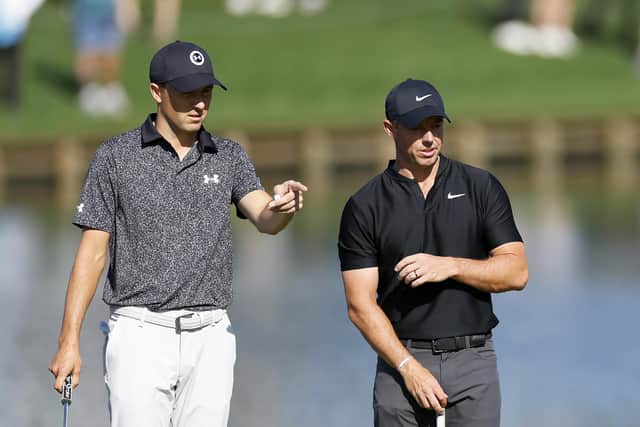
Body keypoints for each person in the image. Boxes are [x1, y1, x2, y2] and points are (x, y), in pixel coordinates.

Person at [49, 40, 308, 427]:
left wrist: (281, 206)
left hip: (211, 335)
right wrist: (69, 341)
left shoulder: (229, 155)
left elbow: (264, 216)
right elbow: (92, 254)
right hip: (139, 333)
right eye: (187, 93)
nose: (200, 103)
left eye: (205, 92)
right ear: (157, 92)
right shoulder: (115, 157)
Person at [338, 78, 528, 427]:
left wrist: (450, 266)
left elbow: (516, 273)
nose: (430, 138)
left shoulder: (480, 186)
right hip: (400, 362)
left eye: (436, 126)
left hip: (474, 361)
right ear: (390, 128)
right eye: (417, 128)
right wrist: (408, 367)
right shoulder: (365, 206)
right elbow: (359, 305)